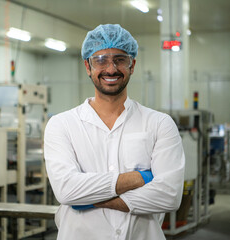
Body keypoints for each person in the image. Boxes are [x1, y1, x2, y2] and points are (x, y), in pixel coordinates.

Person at [44, 24, 185, 240]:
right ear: (88, 66)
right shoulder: (62, 124)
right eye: (100, 59)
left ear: (132, 65)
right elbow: (66, 191)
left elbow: (170, 195)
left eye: (120, 59)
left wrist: (88, 199)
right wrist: (140, 178)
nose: (111, 69)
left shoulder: (160, 123)